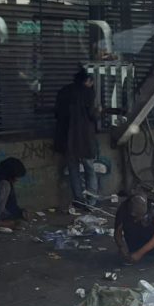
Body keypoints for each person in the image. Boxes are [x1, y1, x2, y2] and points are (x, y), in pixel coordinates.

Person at [55, 69, 101, 209]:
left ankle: (79, 200)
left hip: (67, 138)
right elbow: (92, 115)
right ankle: (91, 201)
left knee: (73, 169)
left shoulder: (63, 91)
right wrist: (99, 111)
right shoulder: (88, 92)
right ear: (87, 81)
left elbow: (57, 114)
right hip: (84, 138)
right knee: (89, 169)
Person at [114, 193, 154, 267]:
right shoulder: (124, 208)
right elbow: (118, 231)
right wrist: (121, 246)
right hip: (137, 231)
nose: (136, 219)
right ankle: (133, 252)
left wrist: (140, 253)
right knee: (131, 228)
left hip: (153, 231)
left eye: (138, 216)